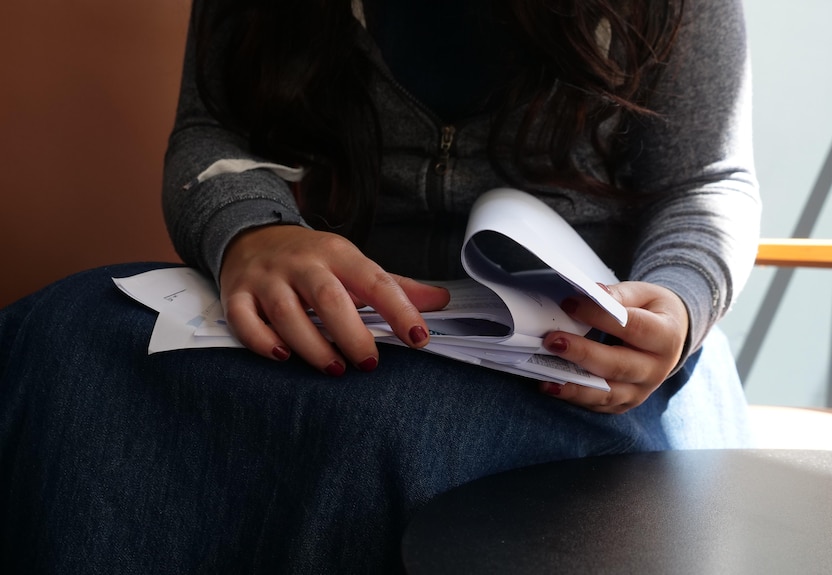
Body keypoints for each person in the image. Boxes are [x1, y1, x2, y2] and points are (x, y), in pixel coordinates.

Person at [0, 0, 760, 572]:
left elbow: (707, 182)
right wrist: (252, 234)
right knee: (62, 340)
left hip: (584, 360)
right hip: (334, 313)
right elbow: (211, 130)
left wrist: (681, 297)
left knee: (393, 436)